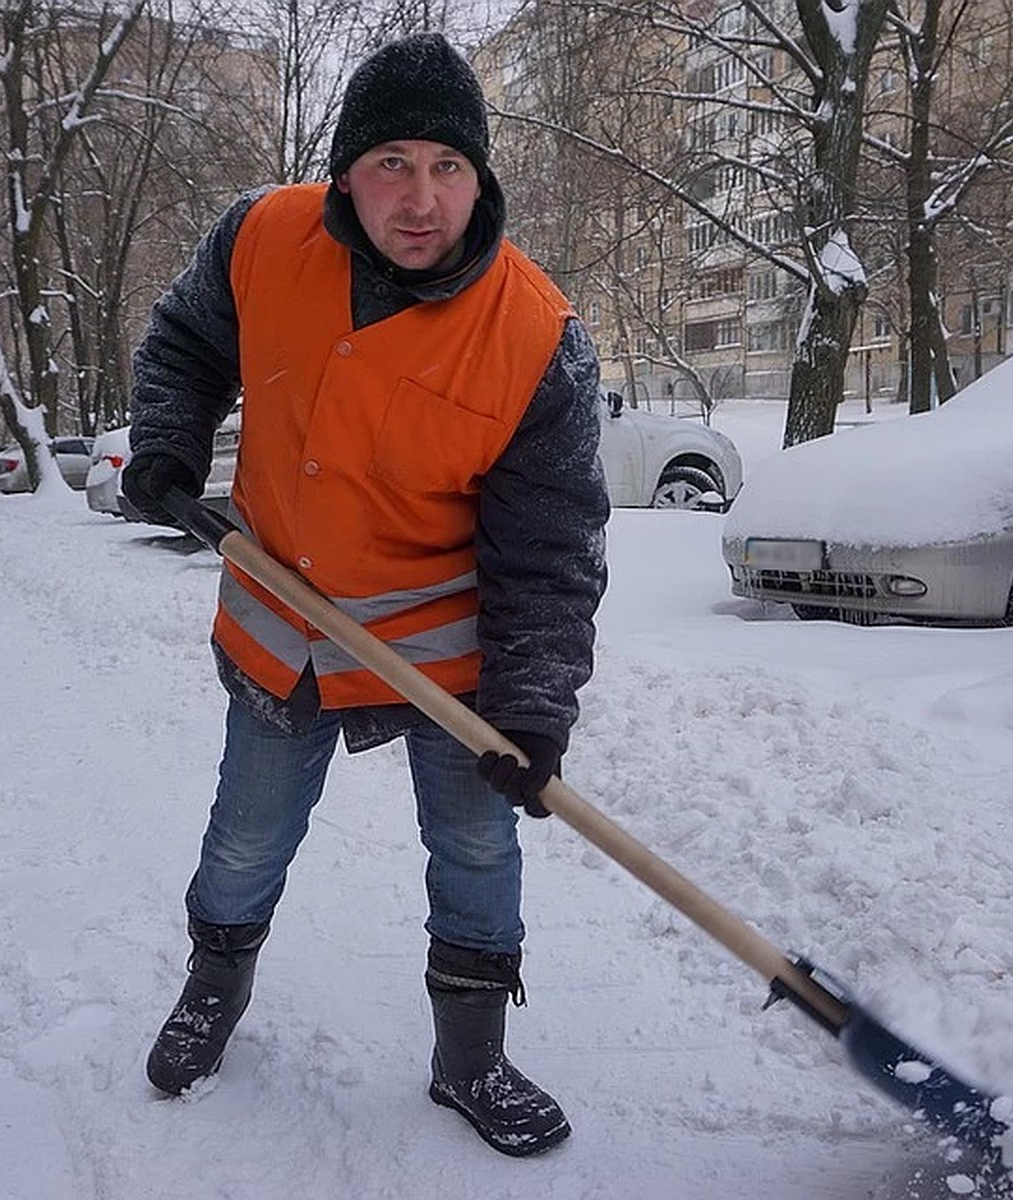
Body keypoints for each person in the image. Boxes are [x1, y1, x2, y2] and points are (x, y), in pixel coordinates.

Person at [124, 32, 608, 1157]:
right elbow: (187, 343)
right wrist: (167, 445)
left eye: (448, 166)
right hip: (281, 627)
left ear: (483, 178)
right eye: (391, 161)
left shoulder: (538, 339)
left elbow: (551, 552)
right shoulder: (261, 237)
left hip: (451, 660)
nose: (421, 197)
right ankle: (215, 990)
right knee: (246, 839)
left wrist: (532, 710)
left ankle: (471, 1058)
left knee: (480, 853)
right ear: (344, 170)